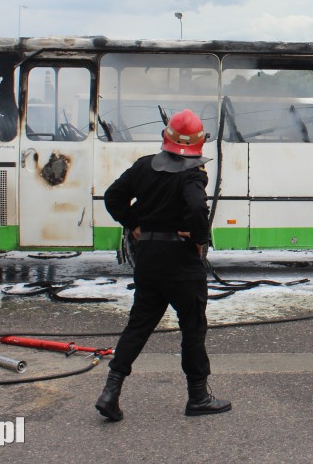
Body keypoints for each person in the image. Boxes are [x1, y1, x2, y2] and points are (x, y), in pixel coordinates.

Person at [95, 109, 231, 421]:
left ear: (165, 137)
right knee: (192, 328)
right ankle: (198, 397)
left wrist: (134, 224)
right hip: (181, 263)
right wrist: (199, 238)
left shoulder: (144, 166)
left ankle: (110, 392)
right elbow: (196, 208)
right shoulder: (193, 173)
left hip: (149, 260)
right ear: (198, 144)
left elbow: (113, 197)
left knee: (138, 326)